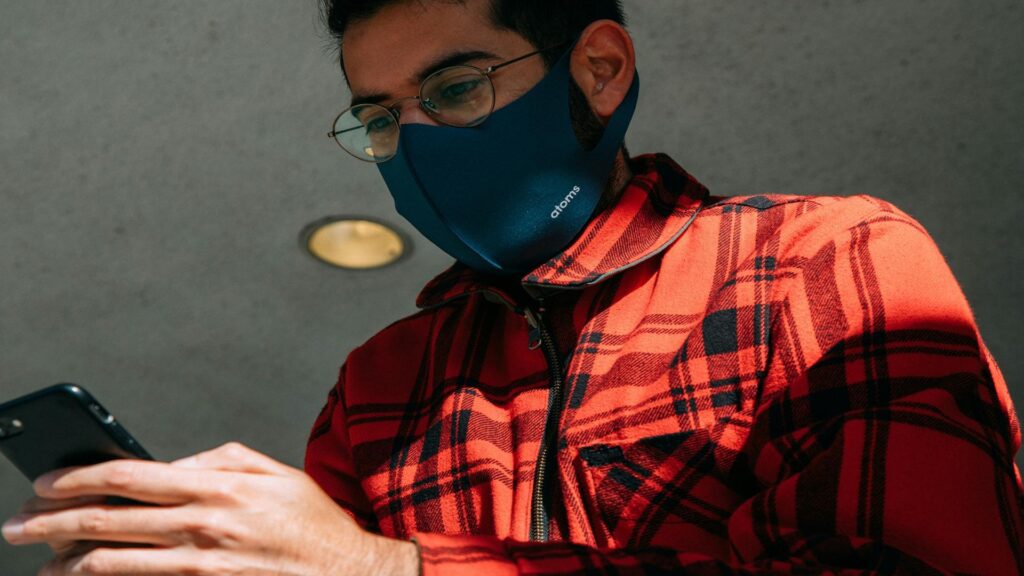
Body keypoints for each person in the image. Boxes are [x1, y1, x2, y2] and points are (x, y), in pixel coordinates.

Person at [3, 0, 1023, 574]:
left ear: (600, 70)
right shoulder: (379, 385)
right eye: (383, 118)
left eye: (455, 88)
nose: (419, 143)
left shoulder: (818, 259)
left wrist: (388, 570)